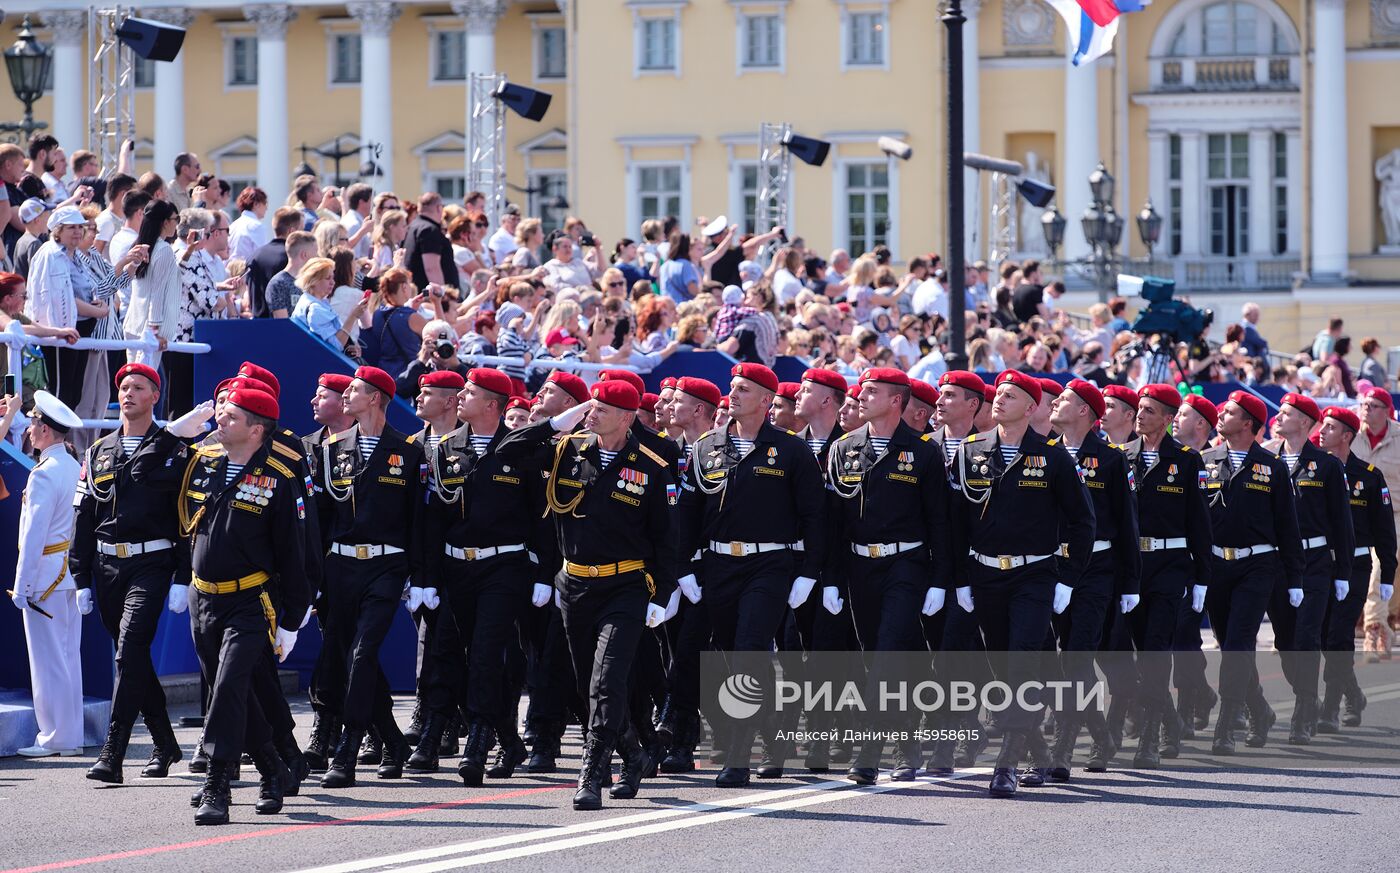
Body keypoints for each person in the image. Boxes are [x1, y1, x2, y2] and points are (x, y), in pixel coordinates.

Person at [129, 387, 310, 824]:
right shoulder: (202, 462)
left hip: (250, 600)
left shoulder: (280, 477)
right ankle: (271, 768)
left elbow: (296, 552)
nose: (220, 421)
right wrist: (172, 434)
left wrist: (292, 620)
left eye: (231, 417)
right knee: (237, 691)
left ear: (256, 429)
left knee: (228, 687)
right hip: (203, 597)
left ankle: (216, 785)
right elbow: (139, 473)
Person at [496, 379, 677, 810]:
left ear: (628, 417)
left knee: (608, 680)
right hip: (575, 584)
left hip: (626, 585)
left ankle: (592, 773)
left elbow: (668, 538)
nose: (592, 414)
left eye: (603, 409)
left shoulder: (652, 464)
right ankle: (633, 751)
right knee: (586, 687)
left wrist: (662, 595)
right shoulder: (567, 449)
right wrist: (557, 422)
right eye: (591, 407)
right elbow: (506, 451)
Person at [676, 363, 825, 787]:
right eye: (732, 388)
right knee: (728, 656)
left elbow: (814, 515)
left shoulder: (792, 450)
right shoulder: (707, 447)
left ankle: (738, 757)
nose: (734, 395)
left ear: (766, 400)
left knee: (749, 650)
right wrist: (684, 567)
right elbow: (687, 514)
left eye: (744, 389)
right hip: (720, 565)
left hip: (770, 564)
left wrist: (809, 572)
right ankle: (774, 730)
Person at [946, 370, 1094, 797]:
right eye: (1000, 394)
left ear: (1032, 407)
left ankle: (1006, 764)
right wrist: (960, 579)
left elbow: (1083, 522)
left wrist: (1067, 578)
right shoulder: (971, 451)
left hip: (1034, 575)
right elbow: (957, 523)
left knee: (1022, 664)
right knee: (1000, 666)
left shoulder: (1052, 457)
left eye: (1011, 396)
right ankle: (1041, 753)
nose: (1000, 401)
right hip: (984, 574)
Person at [414, 368, 539, 783]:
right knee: (448, 654)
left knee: (487, 656)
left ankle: (480, 742)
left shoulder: (520, 448)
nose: (459, 399)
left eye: (469, 393)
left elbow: (541, 517)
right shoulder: (448, 447)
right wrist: (427, 577)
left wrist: (542, 571)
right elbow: (433, 519)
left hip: (504, 566)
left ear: (492, 404)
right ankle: (488, 735)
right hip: (456, 566)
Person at [827, 368, 948, 783]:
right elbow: (833, 522)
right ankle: (909, 740)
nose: (861, 396)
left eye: (873, 391)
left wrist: (940, 580)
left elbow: (940, 522)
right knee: (888, 657)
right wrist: (828, 577)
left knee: (886, 656)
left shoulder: (924, 453)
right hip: (860, 567)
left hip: (906, 564)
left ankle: (869, 754)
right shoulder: (843, 449)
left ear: (897, 401)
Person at [313, 366, 424, 788]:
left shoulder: (408, 451)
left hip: (387, 565)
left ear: (376, 397)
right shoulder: (331, 449)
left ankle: (348, 747)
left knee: (362, 653)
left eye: (355, 390)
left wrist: (420, 576)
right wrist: (314, 575)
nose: (346, 395)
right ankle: (393, 742)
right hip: (341, 565)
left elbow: (419, 521)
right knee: (344, 658)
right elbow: (321, 520)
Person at [74, 363, 184, 783]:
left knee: (129, 651)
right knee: (133, 657)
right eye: (123, 387)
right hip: (106, 566)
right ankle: (165, 743)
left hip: (152, 563)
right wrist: (80, 575)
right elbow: (85, 517)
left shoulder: (175, 449)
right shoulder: (98, 450)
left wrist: (182, 576)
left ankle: (113, 752)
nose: (128, 393)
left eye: (139, 387)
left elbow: (186, 520)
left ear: (155, 396)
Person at [1198, 391, 1304, 755]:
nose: (1220, 415)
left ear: (1248, 424)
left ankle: (1226, 724)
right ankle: (1260, 708)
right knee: (1228, 644)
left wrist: (1295, 579)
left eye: (1229, 412)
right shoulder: (1206, 460)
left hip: (1258, 566)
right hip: (1215, 566)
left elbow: (1288, 527)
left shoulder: (1272, 466)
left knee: (1240, 644)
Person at [1113, 385, 1210, 768]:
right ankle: (1170, 720)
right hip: (1132, 568)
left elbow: (1200, 523)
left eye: (1150, 410)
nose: (1140, 415)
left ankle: (1149, 738)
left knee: (1155, 653)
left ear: (1169, 419)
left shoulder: (1187, 462)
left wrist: (1202, 577)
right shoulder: (1122, 457)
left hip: (1170, 567)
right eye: (1139, 408)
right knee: (1134, 656)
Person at [1263, 392, 1353, 743]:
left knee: (1306, 636)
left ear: (1304, 421)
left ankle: (1303, 712)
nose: (1278, 418)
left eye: (1285, 413)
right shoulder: (1267, 459)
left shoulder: (1328, 465)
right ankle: (1307, 695)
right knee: (1285, 641)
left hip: (1314, 562)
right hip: (1276, 562)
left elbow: (1342, 523)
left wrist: (1343, 571)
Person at [11, 391, 85, 758]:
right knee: (69, 655)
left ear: (44, 429)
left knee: (47, 660)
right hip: (69, 573)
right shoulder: (73, 466)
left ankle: (55, 736)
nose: (29, 431)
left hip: (45, 575)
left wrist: (22, 584)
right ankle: (69, 734)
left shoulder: (43, 474)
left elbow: (33, 535)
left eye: (33, 425)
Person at [1316, 406, 1396, 731]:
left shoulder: (1369, 475)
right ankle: (1354, 692)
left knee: (1338, 635)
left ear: (1347, 436)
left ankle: (1333, 706)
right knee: (1322, 636)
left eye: (1330, 427)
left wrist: (1387, 573)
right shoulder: (1313, 471)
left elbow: (1384, 530)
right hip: (1319, 563)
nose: (1322, 431)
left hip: (1355, 565)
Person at [1355, 387, 1400, 661]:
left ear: (1387, 410)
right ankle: (1375, 626)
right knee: (1378, 566)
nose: (1366, 409)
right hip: (1357, 512)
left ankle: (1382, 621)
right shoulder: (1350, 434)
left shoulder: (1399, 436)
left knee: (1386, 567)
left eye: (1373, 405)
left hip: (1395, 512)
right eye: (1364, 404)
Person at [404, 192, 459, 292]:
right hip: (429, 298)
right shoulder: (429, 230)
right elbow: (432, 268)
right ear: (438, 208)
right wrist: (442, 296)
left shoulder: (412, 227)